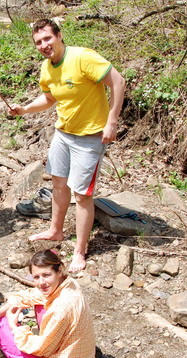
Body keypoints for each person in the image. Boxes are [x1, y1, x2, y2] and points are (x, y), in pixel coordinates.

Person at [9, 19, 126, 272]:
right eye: (38, 42)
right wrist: (26, 108)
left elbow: (118, 81)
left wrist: (112, 122)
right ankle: (56, 230)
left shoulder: (83, 58)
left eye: (48, 39)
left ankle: (80, 250)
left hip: (90, 136)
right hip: (63, 133)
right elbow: (49, 97)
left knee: (82, 195)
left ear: (59, 36)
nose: (44, 45)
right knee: (58, 183)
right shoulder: (47, 68)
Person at [0, 249, 96, 358]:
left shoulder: (60, 309)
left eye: (46, 275)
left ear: (59, 271)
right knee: (38, 301)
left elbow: (41, 349)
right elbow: (29, 295)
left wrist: (13, 326)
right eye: (36, 277)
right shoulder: (68, 284)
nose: (41, 282)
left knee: (0, 325)